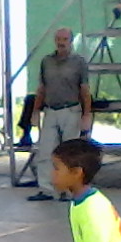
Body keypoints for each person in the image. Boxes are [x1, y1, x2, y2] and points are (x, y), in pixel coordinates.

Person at [26, 28, 92, 201]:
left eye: (64, 39)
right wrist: (35, 111)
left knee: (69, 153)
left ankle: (70, 190)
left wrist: (87, 114)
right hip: (50, 109)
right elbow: (42, 88)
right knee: (45, 151)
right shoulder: (46, 61)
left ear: (71, 41)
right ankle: (46, 189)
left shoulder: (79, 62)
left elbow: (85, 90)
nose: (61, 42)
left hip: (71, 110)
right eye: (58, 39)